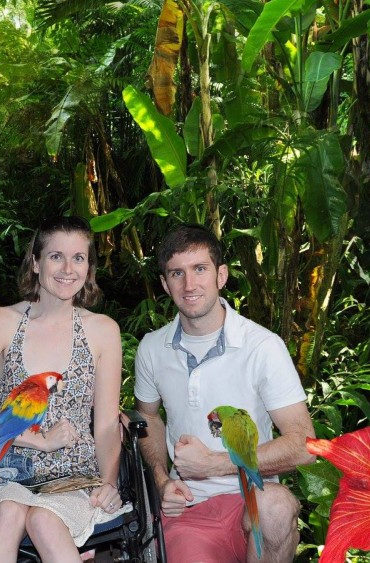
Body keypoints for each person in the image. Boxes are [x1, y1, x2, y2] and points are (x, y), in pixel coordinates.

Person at [134, 224, 315, 563]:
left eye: (199, 269)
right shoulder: (152, 348)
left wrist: (214, 464)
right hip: (190, 508)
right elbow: (147, 416)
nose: (189, 285)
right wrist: (160, 481)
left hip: (254, 502)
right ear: (164, 283)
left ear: (221, 275)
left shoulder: (262, 346)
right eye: (177, 273)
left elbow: (304, 446)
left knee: (276, 505)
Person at [0, 216, 123, 563]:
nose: (68, 268)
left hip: (74, 476)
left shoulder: (103, 331)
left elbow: (105, 426)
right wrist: (38, 440)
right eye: (56, 256)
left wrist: (109, 482)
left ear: (88, 268)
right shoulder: (1, 323)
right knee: (9, 511)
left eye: (79, 258)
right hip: (10, 470)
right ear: (35, 262)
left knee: (44, 519)